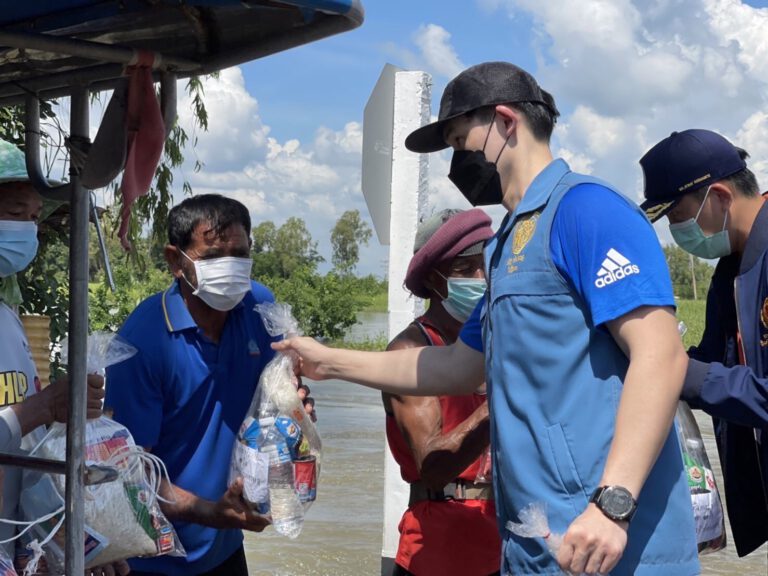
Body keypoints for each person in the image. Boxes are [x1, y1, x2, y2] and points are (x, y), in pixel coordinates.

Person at [275, 61, 700, 575]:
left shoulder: (588, 211)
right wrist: (329, 361)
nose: (460, 160)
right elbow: (457, 365)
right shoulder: (506, 245)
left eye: (460, 141)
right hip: (534, 546)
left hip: (610, 543)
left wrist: (614, 503)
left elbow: (660, 355)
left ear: (505, 122)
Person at [104, 194, 313, 576]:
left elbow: (274, 401)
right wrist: (210, 512)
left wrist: (295, 407)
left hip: (225, 546)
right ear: (175, 261)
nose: (230, 268)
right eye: (214, 256)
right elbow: (130, 474)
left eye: (240, 254)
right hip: (154, 558)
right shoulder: (144, 342)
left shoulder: (258, 307)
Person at [639, 128, 768, 557]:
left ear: (719, 195)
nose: (677, 231)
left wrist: (687, 376)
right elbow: (712, 362)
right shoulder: (731, 269)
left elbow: (705, 378)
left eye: (677, 216)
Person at [0, 138, 124, 576]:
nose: (26, 231)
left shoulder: (7, 319)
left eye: (33, 219)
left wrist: (65, 541)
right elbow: (20, 419)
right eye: (15, 214)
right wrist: (44, 406)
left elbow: (25, 450)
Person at [385, 208, 499, 576]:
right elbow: (432, 469)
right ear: (435, 280)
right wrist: (500, 396)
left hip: (506, 539)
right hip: (438, 549)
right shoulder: (411, 352)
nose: (481, 279)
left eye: (485, 267)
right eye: (466, 271)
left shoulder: (498, 340)